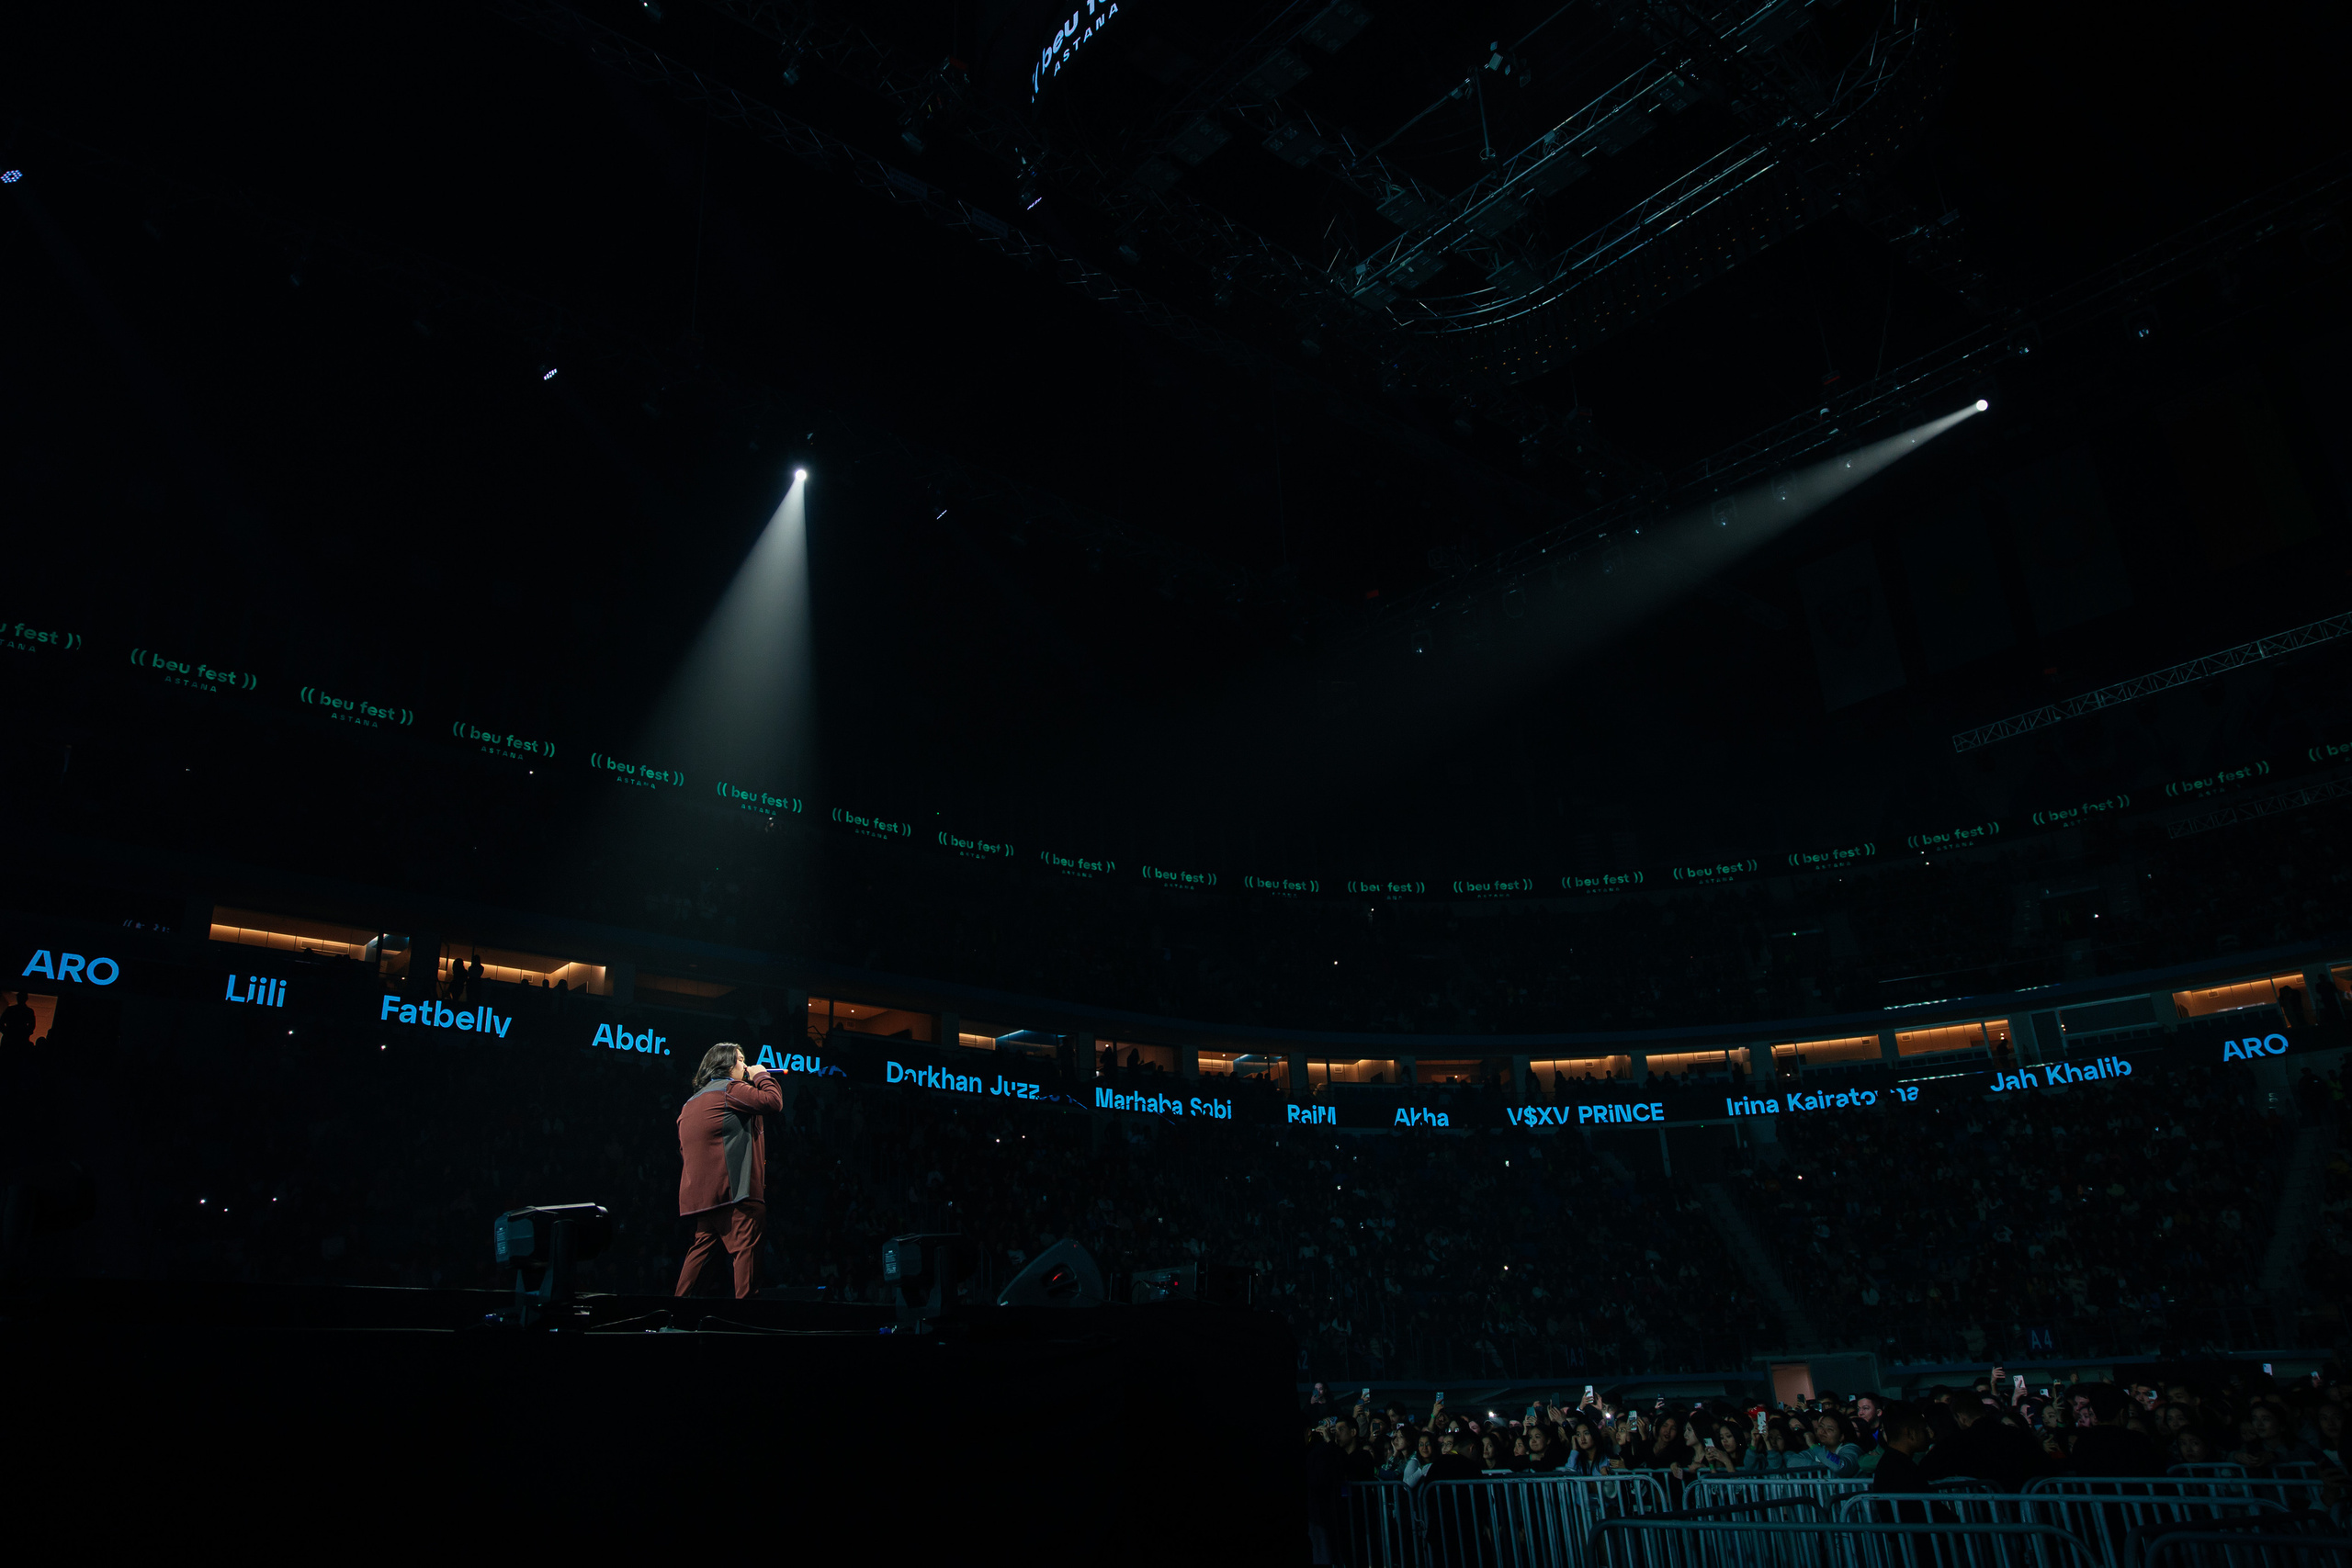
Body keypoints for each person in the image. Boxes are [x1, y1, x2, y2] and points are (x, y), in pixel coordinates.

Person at [674, 1043, 784, 1298]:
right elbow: (773, 1102)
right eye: (741, 1060)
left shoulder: (689, 1104)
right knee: (747, 1264)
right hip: (737, 1196)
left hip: (704, 1200)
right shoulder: (732, 1089)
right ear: (725, 1064)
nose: (745, 1066)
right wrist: (761, 1075)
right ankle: (744, 1325)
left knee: (698, 1264)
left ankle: (675, 1318)